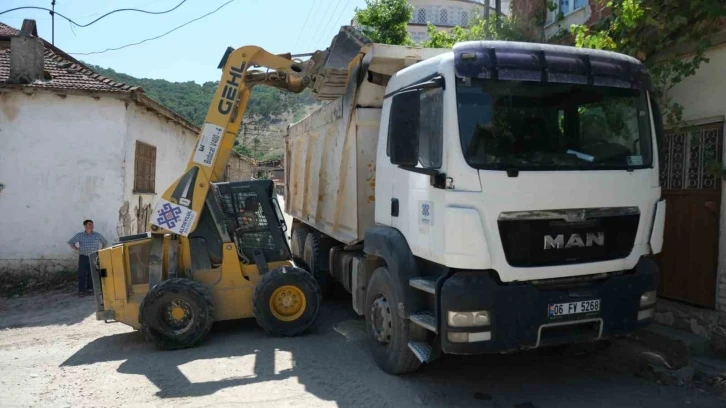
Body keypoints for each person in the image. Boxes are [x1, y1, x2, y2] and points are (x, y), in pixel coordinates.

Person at [67, 220, 109, 297]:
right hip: (83, 256)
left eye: (92, 224)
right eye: (90, 224)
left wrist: (100, 251)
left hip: (94, 257)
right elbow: (71, 242)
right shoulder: (80, 235)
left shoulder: (97, 235)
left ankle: (90, 289)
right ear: (85, 226)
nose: (92, 226)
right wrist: (77, 249)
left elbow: (105, 243)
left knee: (92, 273)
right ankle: (81, 291)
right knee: (81, 274)